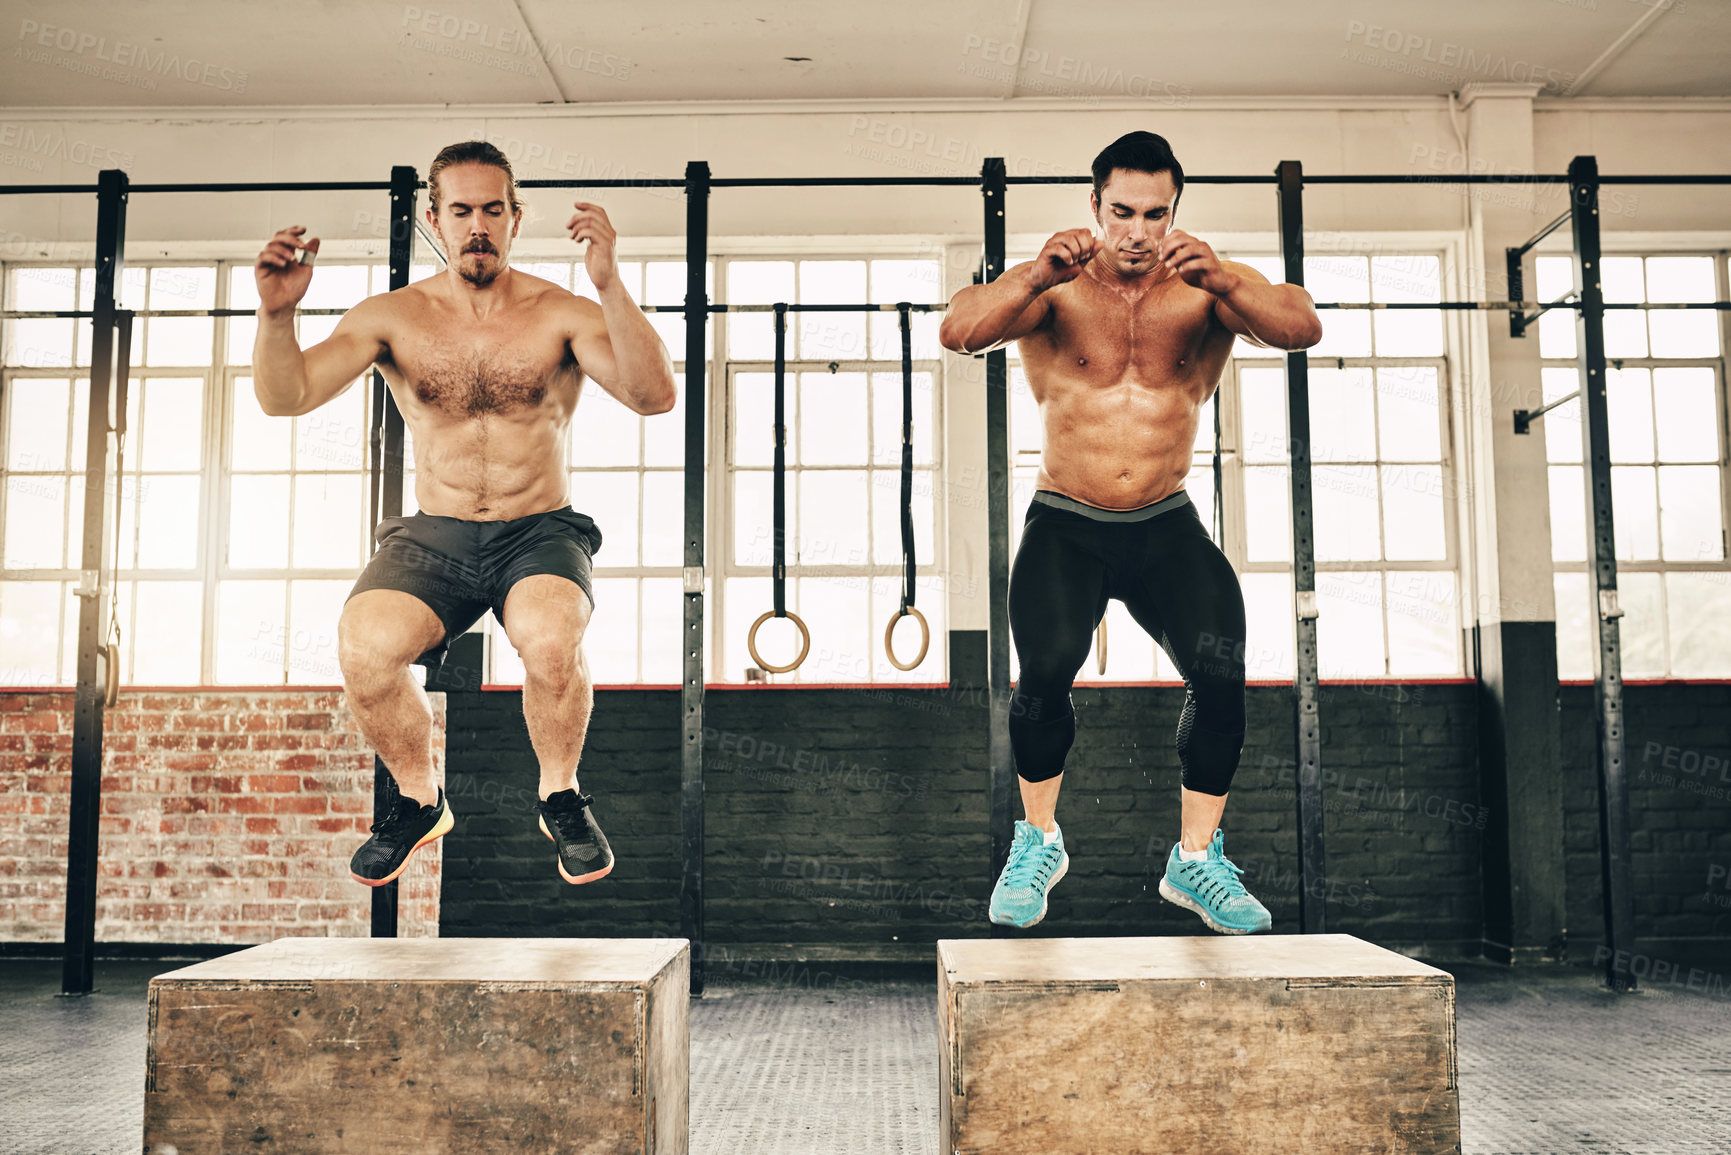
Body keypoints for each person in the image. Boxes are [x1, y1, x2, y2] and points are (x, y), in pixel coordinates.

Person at [251, 140, 676, 889]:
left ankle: (560, 793)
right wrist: (276, 316)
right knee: (364, 650)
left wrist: (610, 286)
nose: (476, 225)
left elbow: (652, 395)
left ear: (516, 218)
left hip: (537, 528)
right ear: (433, 220)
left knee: (549, 641)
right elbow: (286, 397)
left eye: (492, 209)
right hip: (436, 532)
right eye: (460, 210)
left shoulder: (562, 314)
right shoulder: (392, 317)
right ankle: (418, 798)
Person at [939, 130, 1322, 934]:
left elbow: (1300, 327)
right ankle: (1037, 838)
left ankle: (1195, 859)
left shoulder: (1206, 287)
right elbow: (960, 330)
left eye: (1155, 213)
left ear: (1174, 210)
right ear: (1094, 206)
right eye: (1122, 211)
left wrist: (1223, 278)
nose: (1137, 231)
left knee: (1222, 676)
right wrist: (1035, 273)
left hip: (1164, 525)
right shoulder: (1055, 286)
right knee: (1043, 668)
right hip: (1065, 523)